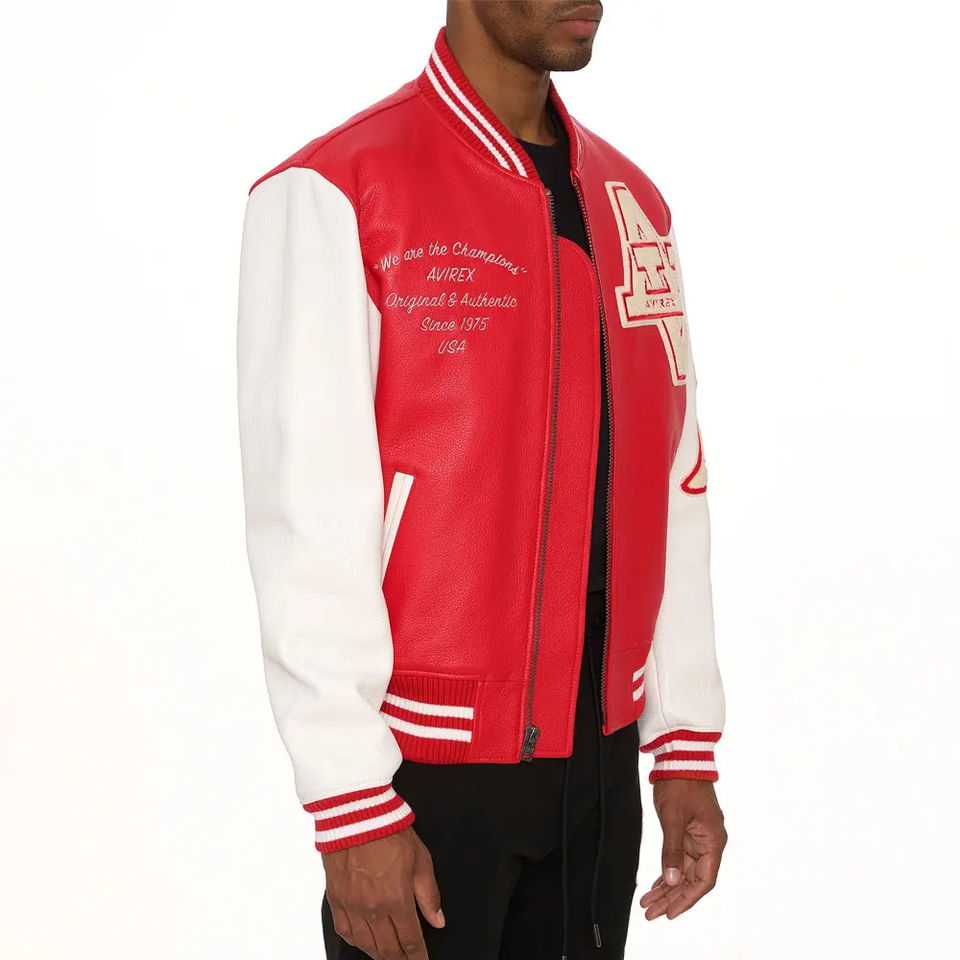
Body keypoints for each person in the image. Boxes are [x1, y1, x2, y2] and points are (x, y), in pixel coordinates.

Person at [237, 2, 726, 958]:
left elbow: (676, 478)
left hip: (601, 756)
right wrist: (349, 796)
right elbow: (304, 518)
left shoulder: (632, 204)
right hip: (425, 769)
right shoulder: (335, 191)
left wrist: (682, 740)